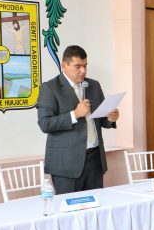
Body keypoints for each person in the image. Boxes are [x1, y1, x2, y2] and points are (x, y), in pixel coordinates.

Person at [37, 45, 120, 195]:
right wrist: (74, 114)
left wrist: (110, 119)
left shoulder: (93, 85)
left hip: (95, 160)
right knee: (70, 211)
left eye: (85, 66)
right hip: (66, 164)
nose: (83, 71)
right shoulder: (49, 88)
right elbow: (45, 124)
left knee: (95, 209)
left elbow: (100, 119)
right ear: (64, 66)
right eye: (78, 66)